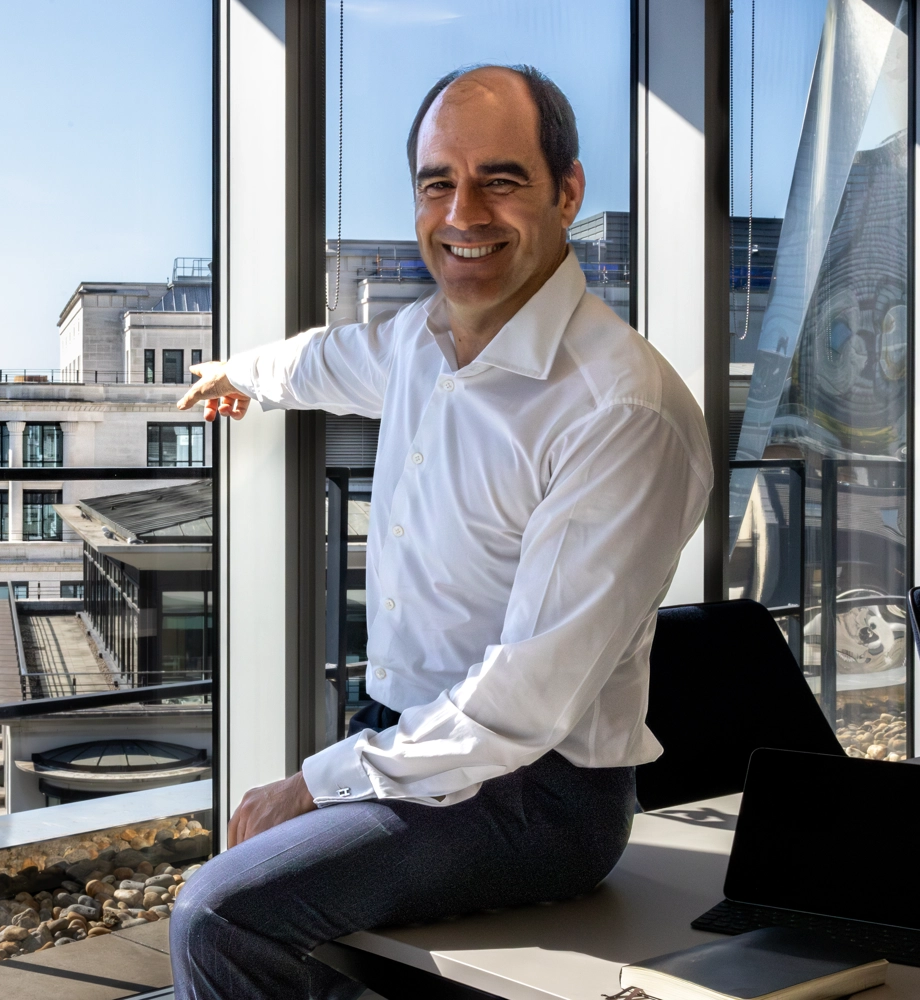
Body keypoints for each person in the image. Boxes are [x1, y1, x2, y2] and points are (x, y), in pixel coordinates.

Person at [171, 64, 712, 1000]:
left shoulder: (621, 408)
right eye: (438, 183)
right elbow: (323, 360)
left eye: (500, 179)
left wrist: (316, 782)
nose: (463, 212)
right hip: (405, 738)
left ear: (567, 193)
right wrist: (239, 374)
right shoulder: (419, 344)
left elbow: (520, 707)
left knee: (219, 914)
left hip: (536, 794)